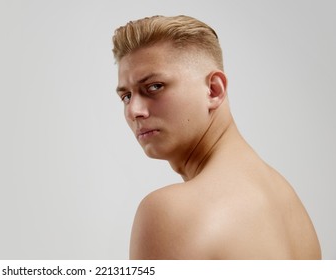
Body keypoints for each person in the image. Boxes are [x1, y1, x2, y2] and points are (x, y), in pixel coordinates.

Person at [112, 15, 321, 259]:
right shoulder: (290, 205)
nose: (134, 111)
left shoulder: (168, 211)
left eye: (154, 87)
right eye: (126, 96)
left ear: (214, 90)